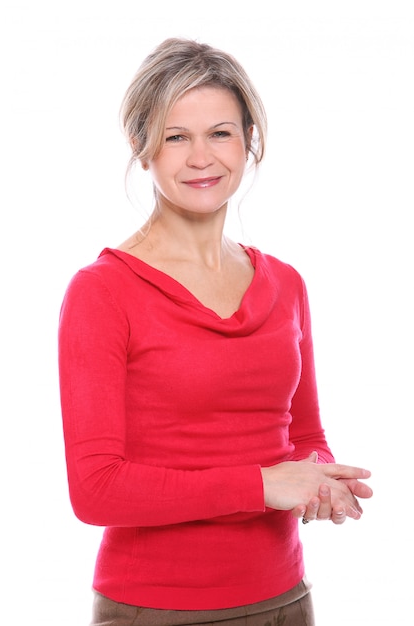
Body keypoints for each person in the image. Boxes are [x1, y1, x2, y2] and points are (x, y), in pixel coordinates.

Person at [58, 37, 373, 626]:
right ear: (141, 147)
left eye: (221, 133)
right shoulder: (102, 292)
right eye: (177, 137)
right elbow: (95, 490)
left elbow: (302, 432)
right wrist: (261, 486)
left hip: (286, 598)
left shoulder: (286, 283)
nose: (201, 157)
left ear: (248, 141)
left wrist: (318, 477)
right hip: (157, 608)